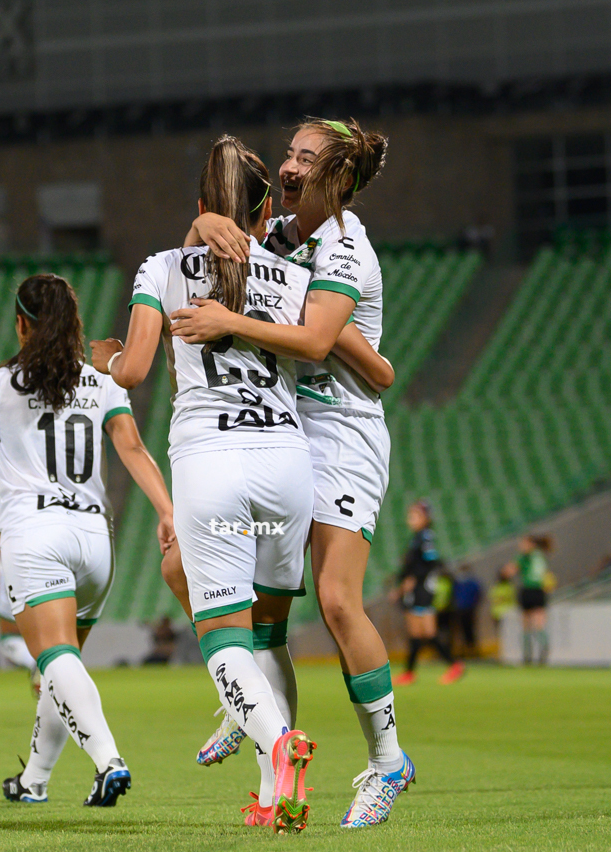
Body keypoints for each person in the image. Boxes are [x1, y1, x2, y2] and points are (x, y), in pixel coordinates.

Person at [171, 118, 416, 829]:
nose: (287, 165)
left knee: (338, 601)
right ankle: (260, 720)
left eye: (305, 158)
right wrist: (212, 220)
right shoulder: (282, 235)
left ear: (336, 178)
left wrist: (232, 321)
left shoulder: (344, 248)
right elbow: (214, 242)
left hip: (341, 433)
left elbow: (316, 340)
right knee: (241, 596)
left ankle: (387, 758)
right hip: (282, 428)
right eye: (288, 152)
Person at [91, 135, 318, 833]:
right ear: (261, 214)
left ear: (199, 208)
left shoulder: (162, 267)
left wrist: (93, 353)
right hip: (287, 462)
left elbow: (129, 372)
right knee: (269, 633)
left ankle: (279, 744)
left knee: (222, 634)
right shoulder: (293, 276)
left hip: (211, 460)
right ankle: (269, 789)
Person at [0, 273, 175, 807]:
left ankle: (109, 759)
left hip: (36, 536)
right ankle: (34, 781)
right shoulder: (102, 383)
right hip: (94, 541)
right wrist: (165, 509)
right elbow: (133, 450)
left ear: (21, 324)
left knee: (56, 660)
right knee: (62, 670)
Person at [394, 500, 465, 686]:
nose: (410, 519)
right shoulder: (418, 537)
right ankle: (409, 672)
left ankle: (454, 664)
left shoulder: (424, 537)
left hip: (421, 590)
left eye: (415, 515)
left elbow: (432, 562)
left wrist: (411, 580)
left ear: (426, 518)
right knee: (417, 634)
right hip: (419, 588)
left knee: (426, 632)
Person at [0, 449, 37, 674]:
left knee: (9, 638)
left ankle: (40, 667)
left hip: (13, 558)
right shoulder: (34, 478)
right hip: (43, 554)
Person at [517, 534, 553, 665]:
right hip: (540, 591)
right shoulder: (542, 555)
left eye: (523, 544)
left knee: (526, 625)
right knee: (539, 624)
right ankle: (543, 648)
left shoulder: (524, 557)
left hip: (528, 590)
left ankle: (527, 657)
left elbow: (512, 570)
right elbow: (547, 575)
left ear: (530, 544)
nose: (521, 546)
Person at [451, 563, 483, 658]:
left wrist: (474, 605)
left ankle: (471, 650)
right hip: (459, 610)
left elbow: (478, 595)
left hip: (469, 609)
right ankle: (461, 651)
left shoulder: (472, 583)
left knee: (470, 630)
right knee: (459, 631)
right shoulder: (457, 583)